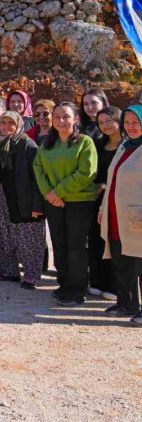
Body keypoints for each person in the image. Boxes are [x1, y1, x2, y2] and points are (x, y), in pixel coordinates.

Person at [33, 102, 98, 307]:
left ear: (75, 119)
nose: (61, 121)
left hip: (79, 202)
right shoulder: (47, 144)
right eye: (57, 116)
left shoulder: (85, 142)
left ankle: (77, 290)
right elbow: (38, 168)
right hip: (54, 203)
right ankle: (64, 284)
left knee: (76, 247)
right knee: (59, 244)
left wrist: (57, 192)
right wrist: (49, 194)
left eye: (66, 116)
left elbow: (86, 172)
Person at [0, 111, 46, 289]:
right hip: (3, 198)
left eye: (11, 123)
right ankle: (8, 271)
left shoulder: (28, 146)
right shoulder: (0, 145)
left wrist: (38, 205)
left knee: (29, 238)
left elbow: (38, 178)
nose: (6, 127)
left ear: (19, 124)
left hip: (24, 199)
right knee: (3, 236)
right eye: (3, 123)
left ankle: (31, 275)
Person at [99, 105, 142, 325]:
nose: (131, 127)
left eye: (136, 122)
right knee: (121, 261)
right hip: (117, 215)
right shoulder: (125, 145)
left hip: (138, 217)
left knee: (140, 264)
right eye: (127, 122)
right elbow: (113, 178)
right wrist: (102, 209)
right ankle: (127, 303)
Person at [89, 107, 123, 300]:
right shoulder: (98, 145)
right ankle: (97, 281)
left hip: (119, 201)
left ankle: (115, 286)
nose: (105, 126)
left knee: (116, 243)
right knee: (97, 240)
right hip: (99, 200)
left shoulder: (129, 146)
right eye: (101, 123)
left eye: (109, 120)